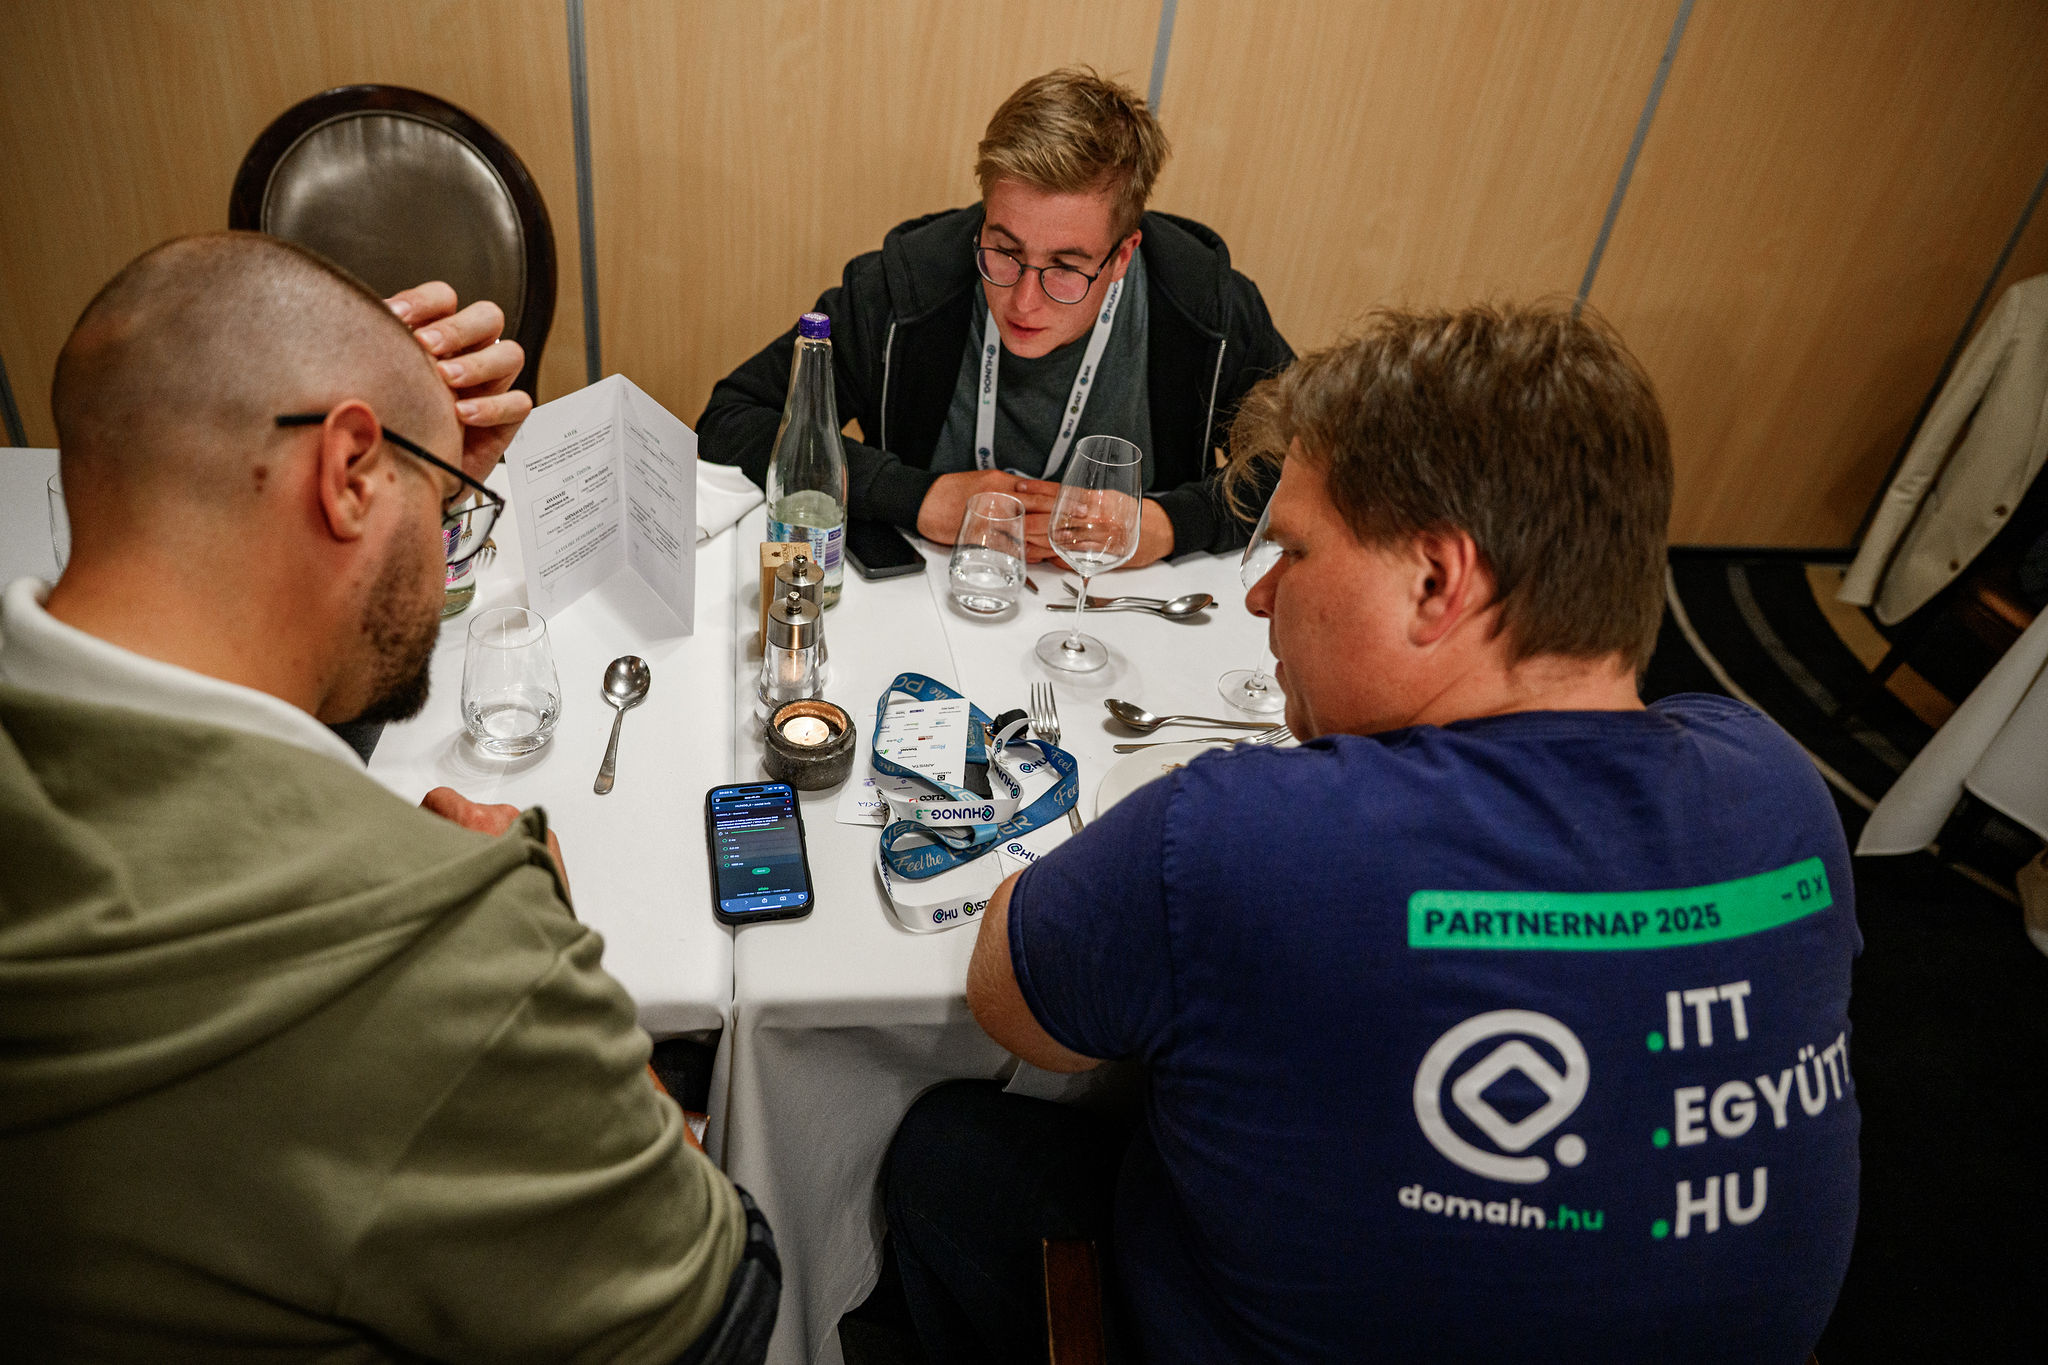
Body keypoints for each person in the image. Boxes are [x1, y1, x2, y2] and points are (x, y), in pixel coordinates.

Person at [884, 305, 1861, 1363]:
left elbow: (1011, 998)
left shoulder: (1235, 833)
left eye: (1295, 549)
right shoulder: (1781, 788)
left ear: (1436, 583)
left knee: (951, 1150)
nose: (1260, 593)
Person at [0, 233, 774, 1362]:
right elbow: (721, 1308)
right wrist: (553, 954)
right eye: (455, 509)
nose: (452, 544)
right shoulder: (453, 944)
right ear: (349, 474)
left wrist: (412, 460)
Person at [697, 67, 1294, 568]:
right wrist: (916, 497)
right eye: (1005, 250)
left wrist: (1168, 524)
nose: (1024, 301)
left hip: (1120, 616)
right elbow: (731, 420)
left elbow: (1305, 466)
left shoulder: (1206, 310)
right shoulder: (903, 289)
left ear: (1122, 257)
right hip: (925, 609)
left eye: (1066, 267)